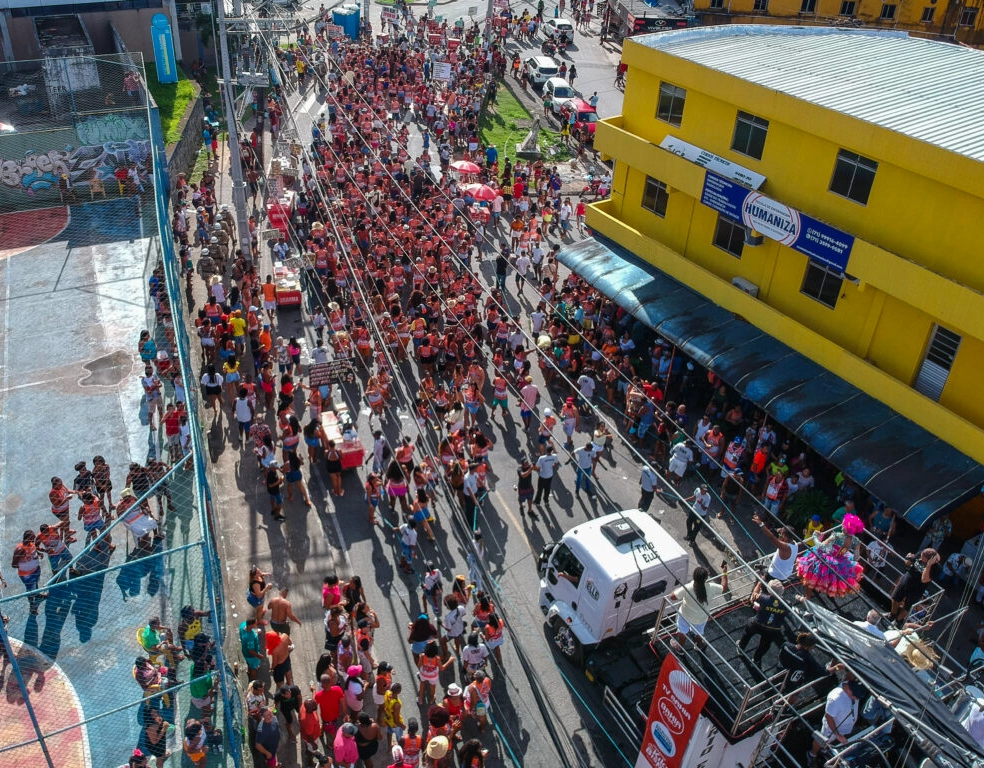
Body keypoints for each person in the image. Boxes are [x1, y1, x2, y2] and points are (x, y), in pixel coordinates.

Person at [796, 513, 865, 599]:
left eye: (843, 524)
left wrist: (815, 536)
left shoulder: (836, 536)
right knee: (831, 581)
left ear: (847, 528)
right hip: (840, 562)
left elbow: (821, 546)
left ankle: (808, 596)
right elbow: (856, 558)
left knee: (810, 575)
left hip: (826, 559)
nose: (841, 526)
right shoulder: (856, 541)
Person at [668, 564, 728, 650]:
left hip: (685, 615)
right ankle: (699, 645)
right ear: (706, 578)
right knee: (698, 633)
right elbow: (724, 588)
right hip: (701, 618)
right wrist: (724, 573)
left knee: (682, 631)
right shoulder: (712, 587)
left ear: (694, 577)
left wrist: (677, 590)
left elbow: (672, 597)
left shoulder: (688, 587)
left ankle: (680, 647)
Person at [808, 678, 865, 766]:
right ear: (850, 691)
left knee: (830, 743)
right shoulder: (835, 699)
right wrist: (837, 734)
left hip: (846, 727)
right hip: (832, 729)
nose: (857, 699)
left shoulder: (851, 687)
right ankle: (812, 754)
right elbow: (829, 717)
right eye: (856, 696)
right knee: (821, 740)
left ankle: (824, 750)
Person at [737, 580, 788, 666]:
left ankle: (741, 648)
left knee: (747, 633)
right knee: (764, 645)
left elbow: (754, 596)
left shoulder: (763, 598)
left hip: (757, 623)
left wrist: (759, 584)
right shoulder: (787, 604)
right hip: (772, 629)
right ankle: (756, 659)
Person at [891, 548, 941, 626]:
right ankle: (892, 615)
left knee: (907, 606)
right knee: (895, 597)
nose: (920, 558)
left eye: (922, 558)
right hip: (907, 580)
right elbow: (908, 563)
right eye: (921, 556)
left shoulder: (936, 568)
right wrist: (908, 558)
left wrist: (928, 566)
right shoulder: (921, 554)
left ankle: (898, 621)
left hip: (917, 589)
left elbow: (924, 579)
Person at [754, 514, 799, 582]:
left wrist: (761, 524)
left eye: (781, 533)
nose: (780, 533)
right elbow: (781, 541)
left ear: (785, 537)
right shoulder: (794, 543)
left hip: (775, 575)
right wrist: (781, 534)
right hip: (785, 573)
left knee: (764, 584)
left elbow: (772, 537)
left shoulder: (785, 547)